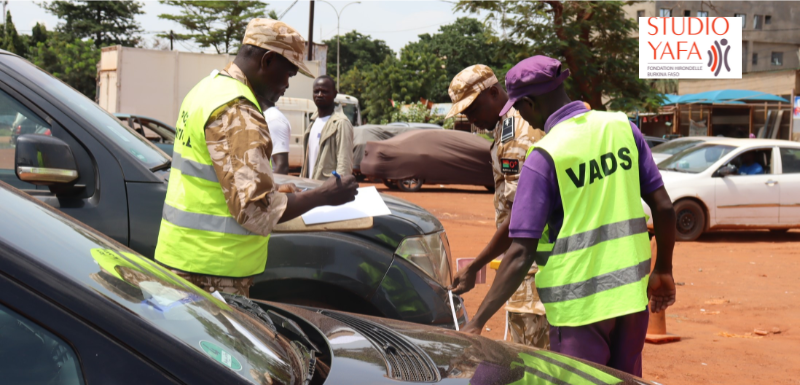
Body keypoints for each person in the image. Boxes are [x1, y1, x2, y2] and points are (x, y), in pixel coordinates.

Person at [462, 56, 677, 377]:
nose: (520, 117)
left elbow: (521, 250)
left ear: (530, 103)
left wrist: (477, 321)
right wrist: (663, 270)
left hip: (579, 307)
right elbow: (663, 207)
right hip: (631, 299)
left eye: (519, 108)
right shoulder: (622, 128)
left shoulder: (545, 155)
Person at [154, 19, 358, 297]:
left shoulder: (205, 90)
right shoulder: (238, 109)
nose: (287, 84)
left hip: (182, 257)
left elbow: (218, 181)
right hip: (213, 271)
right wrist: (324, 196)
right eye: (287, 74)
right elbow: (255, 213)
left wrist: (273, 191)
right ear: (268, 60)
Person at [444, 64, 551, 349]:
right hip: (528, 263)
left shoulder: (514, 135)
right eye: (465, 113)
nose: (472, 119)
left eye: (473, 109)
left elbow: (521, 217)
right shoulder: (507, 128)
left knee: (533, 362)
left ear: (494, 93)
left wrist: (475, 266)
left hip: (531, 268)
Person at [301, 75, 354, 180]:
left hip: (328, 191)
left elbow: (344, 163)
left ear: (334, 94)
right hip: (310, 188)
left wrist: (339, 189)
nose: (320, 95)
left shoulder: (341, 123)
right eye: (316, 91)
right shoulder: (313, 122)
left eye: (324, 91)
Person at [265, 105, 292, 174]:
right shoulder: (264, 115)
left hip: (268, 181)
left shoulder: (274, 119)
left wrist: (272, 185)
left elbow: (282, 166)